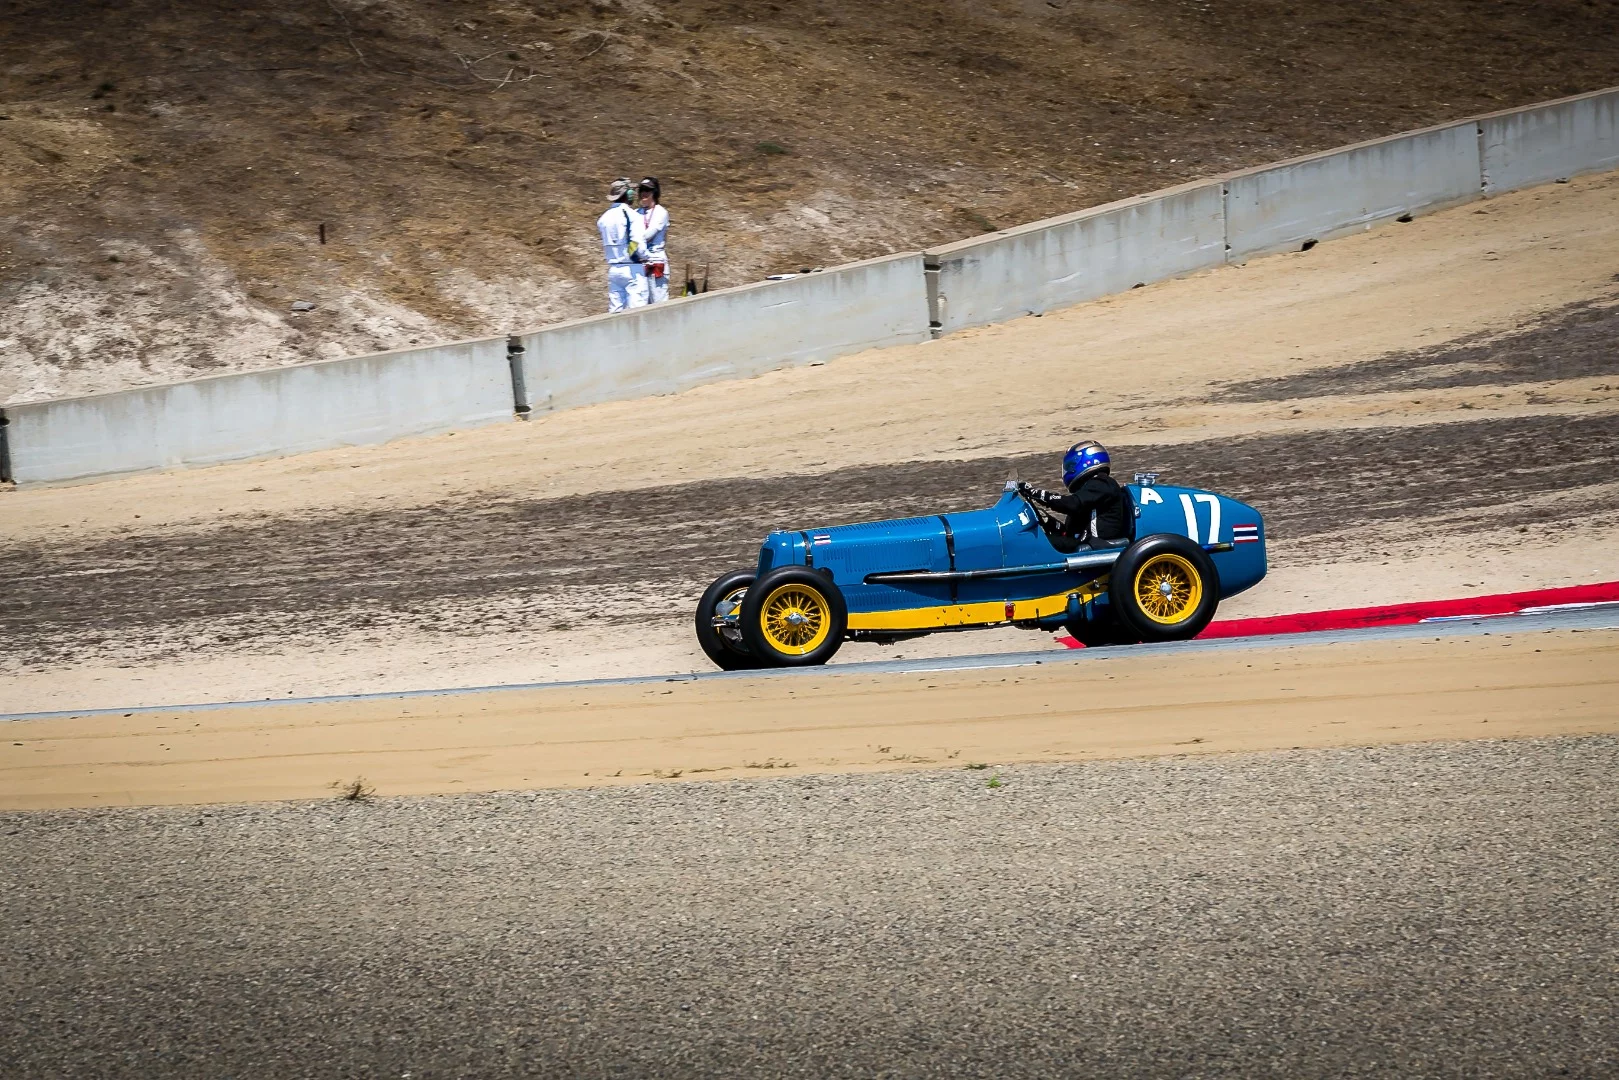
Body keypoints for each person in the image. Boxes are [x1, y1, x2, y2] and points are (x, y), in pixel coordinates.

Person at [1018, 441, 1131, 549]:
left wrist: (1039, 494)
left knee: (1036, 544)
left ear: (1088, 460)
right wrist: (1049, 521)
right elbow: (1073, 523)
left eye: (1072, 465)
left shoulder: (1102, 483)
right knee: (1037, 539)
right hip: (1084, 538)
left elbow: (1072, 504)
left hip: (1095, 541)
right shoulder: (1092, 488)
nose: (1069, 470)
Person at [596, 177, 649, 313]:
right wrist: (644, 256)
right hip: (632, 269)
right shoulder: (632, 215)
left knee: (615, 312)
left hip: (614, 269)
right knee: (637, 312)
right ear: (628, 194)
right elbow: (636, 243)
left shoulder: (604, 218)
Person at [636, 177, 671, 304]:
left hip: (657, 262)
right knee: (642, 304)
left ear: (655, 193)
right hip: (640, 263)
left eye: (648, 190)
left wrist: (633, 242)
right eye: (641, 190)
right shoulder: (636, 213)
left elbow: (648, 234)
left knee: (659, 304)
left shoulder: (661, 212)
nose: (643, 193)